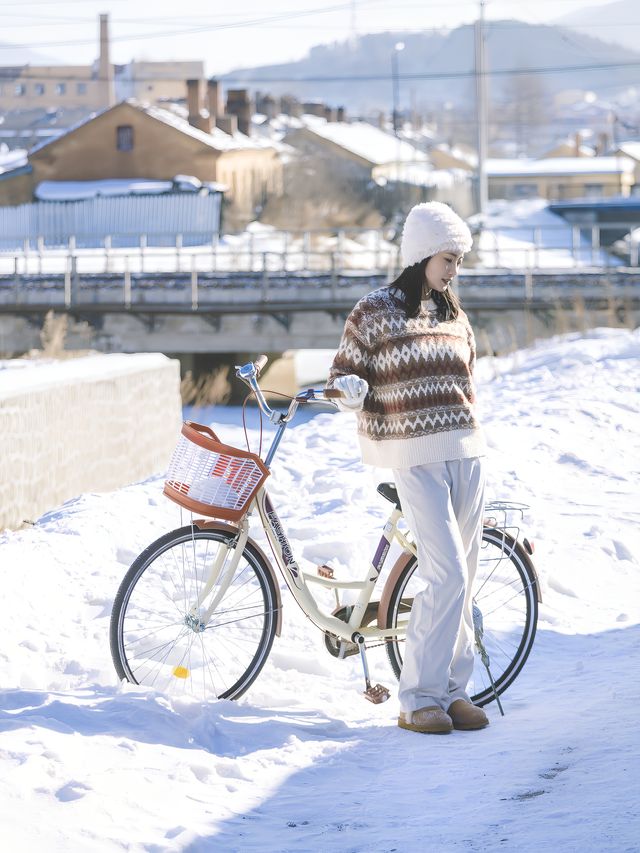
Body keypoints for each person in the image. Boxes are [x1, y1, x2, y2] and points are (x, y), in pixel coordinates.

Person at [327, 201, 488, 735]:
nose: (454, 271)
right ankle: (417, 697)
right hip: (412, 456)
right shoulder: (373, 311)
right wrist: (350, 393)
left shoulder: (454, 315)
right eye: (448, 258)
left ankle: (453, 691)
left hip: (466, 452)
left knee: (463, 580)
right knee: (446, 574)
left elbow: (466, 383)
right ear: (421, 254)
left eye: (459, 260)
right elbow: (344, 375)